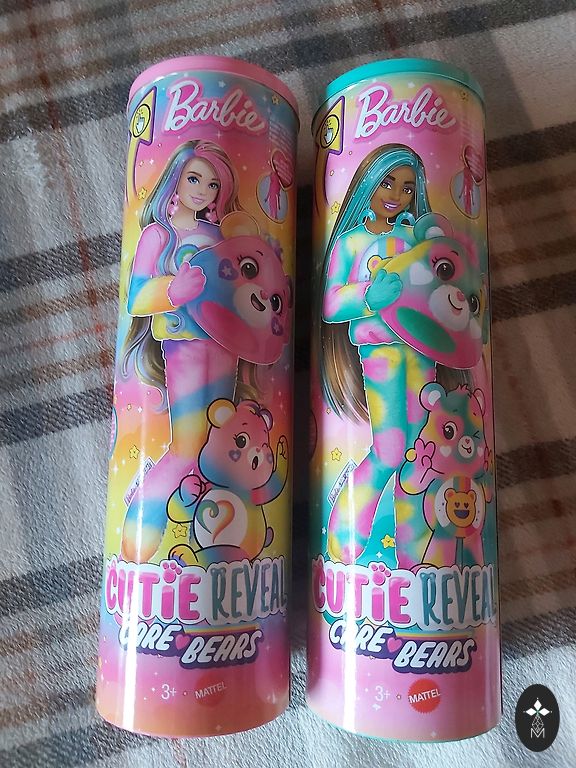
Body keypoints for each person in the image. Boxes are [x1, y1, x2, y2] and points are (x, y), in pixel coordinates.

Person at [120, 140, 242, 563]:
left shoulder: (217, 235)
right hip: (183, 345)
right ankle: (139, 538)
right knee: (187, 448)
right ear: (176, 179)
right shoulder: (160, 234)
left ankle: (204, 543)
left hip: (224, 347)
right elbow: (136, 297)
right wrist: (173, 289)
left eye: (212, 184)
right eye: (194, 178)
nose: (202, 190)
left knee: (217, 447)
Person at [320, 143, 434, 564]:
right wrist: (370, 295)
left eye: (407, 188)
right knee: (389, 449)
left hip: (421, 349)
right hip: (380, 351)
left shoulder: (413, 238)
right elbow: (331, 303)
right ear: (368, 182)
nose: (397, 195)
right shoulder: (351, 243)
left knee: (419, 451)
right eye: (387, 182)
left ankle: (414, 550)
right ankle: (345, 530)